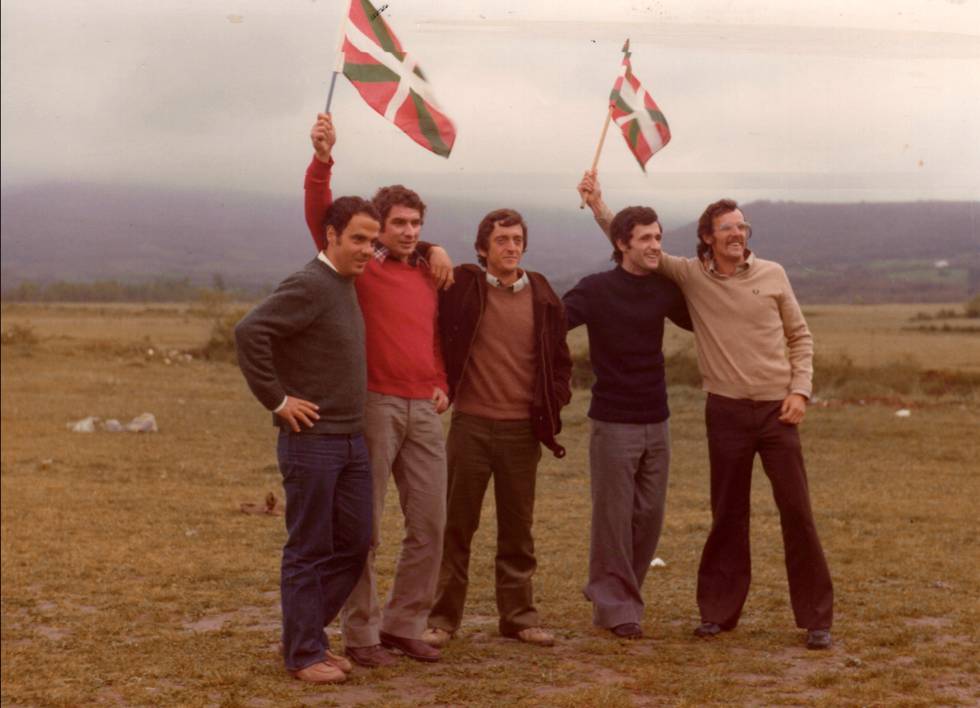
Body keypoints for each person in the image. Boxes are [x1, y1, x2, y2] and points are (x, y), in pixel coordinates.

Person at [578, 172, 834, 650]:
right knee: (727, 515)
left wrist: (800, 391)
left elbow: (800, 336)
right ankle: (717, 614)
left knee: (797, 512)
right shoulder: (691, 276)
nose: (738, 235)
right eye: (727, 229)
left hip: (780, 413)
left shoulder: (773, 274)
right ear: (707, 238)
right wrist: (599, 206)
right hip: (727, 413)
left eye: (742, 226)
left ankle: (817, 618)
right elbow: (636, 247)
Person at [303, 113, 450, 667]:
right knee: (364, 527)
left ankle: (404, 624)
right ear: (378, 228)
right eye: (399, 224)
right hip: (373, 405)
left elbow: (431, 338)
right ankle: (360, 635)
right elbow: (322, 216)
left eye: (417, 224)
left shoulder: (428, 273)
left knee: (430, 521)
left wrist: (440, 380)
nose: (409, 232)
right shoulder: (361, 266)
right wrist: (322, 159)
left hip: (425, 409)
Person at [234, 195, 381, 684]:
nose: (367, 249)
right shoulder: (310, 284)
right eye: (358, 238)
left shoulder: (345, 283)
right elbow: (250, 331)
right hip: (312, 440)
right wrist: (278, 401)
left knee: (357, 542)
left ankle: (306, 636)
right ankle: (302, 653)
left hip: (350, 440)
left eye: (371, 241)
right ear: (332, 235)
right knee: (309, 547)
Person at [421, 209, 573, 649]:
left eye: (517, 239)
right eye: (502, 240)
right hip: (470, 426)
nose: (511, 247)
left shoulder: (542, 292)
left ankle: (519, 618)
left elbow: (561, 360)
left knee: (518, 531)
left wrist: (553, 401)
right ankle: (443, 620)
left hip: (522, 433)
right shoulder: (464, 285)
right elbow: (406, 250)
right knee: (456, 527)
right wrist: (433, 247)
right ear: (483, 248)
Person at [562, 205, 692, 639]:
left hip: (658, 417)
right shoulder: (596, 289)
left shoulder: (663, 290)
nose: (655, 246)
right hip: (613, 421)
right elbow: (553, 322)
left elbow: (701, 318)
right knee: (614, 517)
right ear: (623, 245)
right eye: (646, 239)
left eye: (658, 237)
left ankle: (611, 591)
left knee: (649, 514)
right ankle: (618, 606)